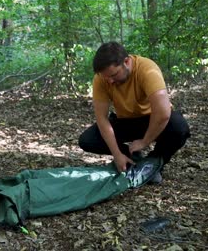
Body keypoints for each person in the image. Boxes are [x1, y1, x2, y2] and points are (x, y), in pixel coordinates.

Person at [78, 42, 190, 182]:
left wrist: (144, 141)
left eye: (114, 75)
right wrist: (117, 154)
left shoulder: (147, 69)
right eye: (106, 77)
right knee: (87, 140)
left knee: (179, 128)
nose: (110, 81)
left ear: (126, 61)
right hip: (125, 120)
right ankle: (132, 159)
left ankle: (153, 163)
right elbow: (102, 118)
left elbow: (163, 113)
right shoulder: (102, 79)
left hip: (151, 119)